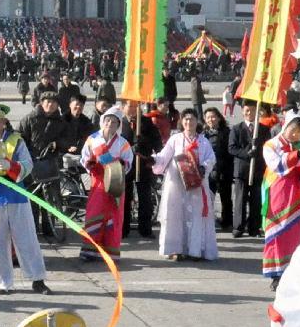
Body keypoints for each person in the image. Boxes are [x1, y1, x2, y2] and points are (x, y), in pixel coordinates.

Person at [0, 104, 51, 295]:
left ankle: (37, 279)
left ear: (4, 122)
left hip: (16, 196)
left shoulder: (16, 141)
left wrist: (10, 165)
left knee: (26, 238)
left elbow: (27, 166)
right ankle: (3, 283)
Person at [152, 108, 217, 261]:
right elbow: (163, 157)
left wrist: (203, 167)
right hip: (176, 184)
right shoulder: (175, 139)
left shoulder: (203, 141)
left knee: (196, 215)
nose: (189, 122)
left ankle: (196, 249)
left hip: (196, 184)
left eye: (192, 119)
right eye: (186, 119)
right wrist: (153, 159)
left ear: (197, 121)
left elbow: (211, 158)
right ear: (182, 121)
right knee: (176, 215)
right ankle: (175, 249)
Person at [261, 114, 300, 291]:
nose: (295, 134)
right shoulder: (271, 145)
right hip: (277, 193)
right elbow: (276, 165)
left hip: (295, 194)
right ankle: (276, 275)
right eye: (293, 129)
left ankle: (292, 272)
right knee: (276, 234)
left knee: (293, 235)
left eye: (299, 132)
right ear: (285, 126)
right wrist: (296, 155)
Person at [79, 107, 134, 262]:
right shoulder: (92, 139)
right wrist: (90, 164)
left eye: (114, 121)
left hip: (116, 184)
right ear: (102, 122)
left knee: (113, 217)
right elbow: (84, 158)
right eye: (108, 120)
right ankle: (90, 250)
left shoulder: (123, 143)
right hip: (98, 184)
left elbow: (128, 162)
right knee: (94, 214)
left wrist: (121, 164)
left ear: (118, 125)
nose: (110, 123)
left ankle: (110, 251)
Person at [18, 91, 70, 237]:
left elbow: (67, 140)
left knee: (51, 198)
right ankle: (32, 227)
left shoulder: (61, 122)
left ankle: (49, 227)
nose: (50, 104)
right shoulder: (29, 118)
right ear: (41, 102)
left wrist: (57, 144)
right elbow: (20, 137)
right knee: (33, 197)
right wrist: (27, 154)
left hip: (51, 163)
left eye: (53, 102)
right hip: (32, 163)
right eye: (47, 101)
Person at [120, 99, 163, 239]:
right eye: (130, 106)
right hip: (124, 166)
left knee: (145, 199)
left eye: (136, 106)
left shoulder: (146, 122)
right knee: (125, 198)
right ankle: (123, 229)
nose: (133, 109)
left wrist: (154, 154)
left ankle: (145, 229)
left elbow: (157, 141)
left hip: (143, 165)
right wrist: (130, 148)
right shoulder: (119, 123)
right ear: (123, 107)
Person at [228, 102, 271, 238]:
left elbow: (268, 148)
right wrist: (247, 153)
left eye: (252, 110)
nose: (249, 113)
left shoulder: (263, 129)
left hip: (258, 170)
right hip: (242, 170)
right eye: (246, 111)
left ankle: (254, 227)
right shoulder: (236, 128)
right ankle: (238, 227)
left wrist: (258, 150)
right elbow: (232, 148)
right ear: (242, 112)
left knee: (256, 200)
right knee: (240, 200)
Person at [203, 107, 233, 231]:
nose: (211, 119)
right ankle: (209, 221)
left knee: (226, 198)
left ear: (219, 118)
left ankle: (227, 222)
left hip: (224, 169)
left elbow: (230, 151)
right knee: (208, 197)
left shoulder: (227, 132)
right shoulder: (202, 134)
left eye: (213, 116)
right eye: (208, 117)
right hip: (208, 170)